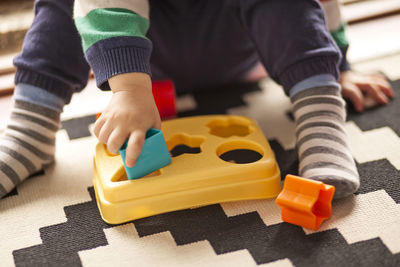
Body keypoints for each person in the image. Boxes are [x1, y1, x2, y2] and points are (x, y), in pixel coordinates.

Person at [0, 0, 392, 199]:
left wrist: (340, 62)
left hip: (240, 37)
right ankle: (30, 128)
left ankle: (321, 119)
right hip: (144, 52)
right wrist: (129, 87)